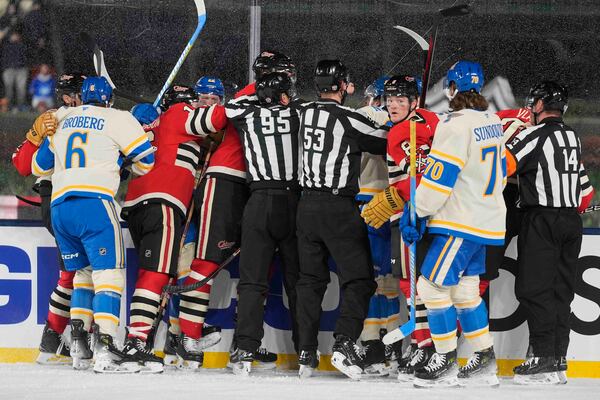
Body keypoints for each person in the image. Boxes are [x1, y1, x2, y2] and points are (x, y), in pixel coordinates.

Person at [179, 51, 298, 371]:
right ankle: (187, 338)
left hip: (257, 187)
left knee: (259, 266)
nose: (291, 79)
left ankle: (247, 342)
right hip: (228, 180)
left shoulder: (275, 98)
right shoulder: (250, 94)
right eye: (286, 72)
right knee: (206, 259)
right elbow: (198, 123)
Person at [31, 76, 155, 373]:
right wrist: (122, 159)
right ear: (109, 99)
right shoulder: (118, 117)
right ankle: (106, 346)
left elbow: (38, 166)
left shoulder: (63, 116)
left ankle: (79, 344)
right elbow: (146, 162)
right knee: (109, 274)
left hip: (61, 207)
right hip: (94, 203)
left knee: (84, 273)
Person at [401, 61, 505, 387]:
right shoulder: (493, 122)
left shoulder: (454, 125)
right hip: (485, 222)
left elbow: (439, 181)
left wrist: (416, 211)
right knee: (464, 291)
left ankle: (443, 359)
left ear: (451, 89)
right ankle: (485, 358)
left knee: (429, 287)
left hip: (460, 222)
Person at [295, 59, 388, 380]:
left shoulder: (303, 112)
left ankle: (305, 351)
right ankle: (345, 342)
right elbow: (386, 142)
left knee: (309, 281)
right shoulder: (350, 118)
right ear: (342, 85)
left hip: (305, 207)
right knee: (360, 279)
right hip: (338, 208)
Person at [120, 84, 210, 373]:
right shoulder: (179, 115)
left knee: (155, 273)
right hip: (164, 204)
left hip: (135, 205)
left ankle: (143, 340)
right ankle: (136, 342)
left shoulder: (150, 123)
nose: (197, 107)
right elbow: (216, 119)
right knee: (157, 275)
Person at [506, 81, 585, 385]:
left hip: (542, 219)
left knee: (533, 289)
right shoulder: (571, 136)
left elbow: (503, 164)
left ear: (539, 106)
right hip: (571, 221)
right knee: (560, 290)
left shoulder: (533, 134)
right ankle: (557, 358)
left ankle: (541, 358)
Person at [361, 74, 440, 381]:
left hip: (412, 217)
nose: (393, 105)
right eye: (390, 99)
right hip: (424, 215)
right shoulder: (431, 121)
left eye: (400, 100)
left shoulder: (401, 134)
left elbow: (421, 178)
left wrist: (395, 197)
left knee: (415, 286)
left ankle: (426, 347)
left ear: (414, 102)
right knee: (418, 286)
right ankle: (428, 346)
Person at [11, 72, 86, 365]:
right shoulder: (59, 118)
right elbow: (21, 165)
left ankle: (54, 339)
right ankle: (72, 339)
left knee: (71, 273)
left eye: (73, 93)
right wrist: (35, 133)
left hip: (66, 201)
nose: (69, 100)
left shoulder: (84, 117)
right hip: (60, 197)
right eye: (66, 94)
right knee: (81, 273)